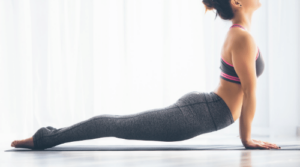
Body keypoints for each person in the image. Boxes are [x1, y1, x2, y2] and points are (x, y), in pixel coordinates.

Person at [11, 0, 280, 150]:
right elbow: (249, 91)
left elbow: (247, 90)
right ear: (236, 2)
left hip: (206, 110)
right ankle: (44, 138)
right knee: (116, 124)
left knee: (118, 124)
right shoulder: (241, 38)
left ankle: (46, 137)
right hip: (201, 112)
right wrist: (246, 139)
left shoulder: (241, 36)